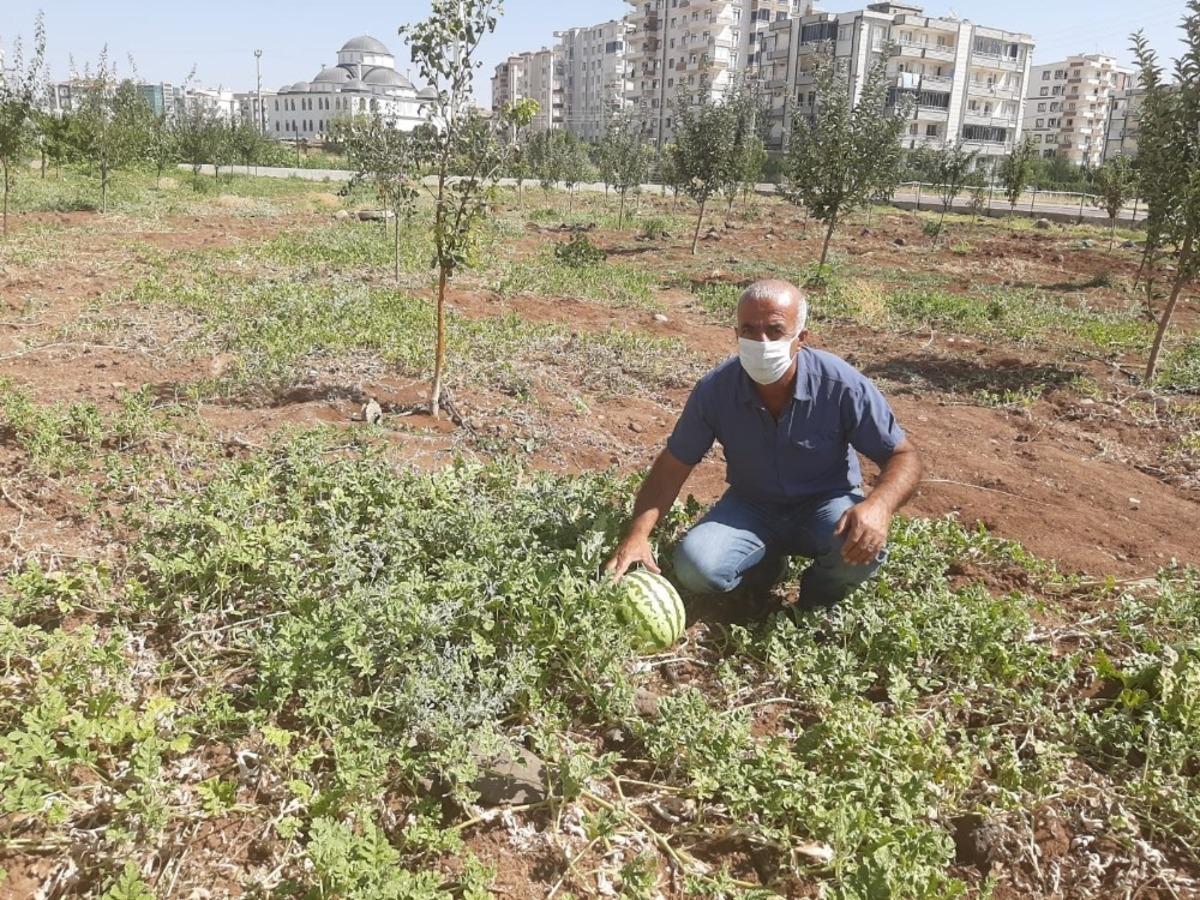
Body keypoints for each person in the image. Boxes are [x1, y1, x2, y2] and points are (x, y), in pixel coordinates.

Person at [604, 278, 923, 609]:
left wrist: (879, 507)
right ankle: (763, 568)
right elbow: (674, 464)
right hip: (752, 505)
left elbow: (902, 455)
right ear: (736, 335)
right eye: (749, 330)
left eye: (774, 330)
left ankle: (817, 599)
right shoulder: (716, 390)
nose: (761, 341)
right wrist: (637, 534)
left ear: (800, 339)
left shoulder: (841, 385)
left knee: (859, 544)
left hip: (826, 503)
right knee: (696, 567)